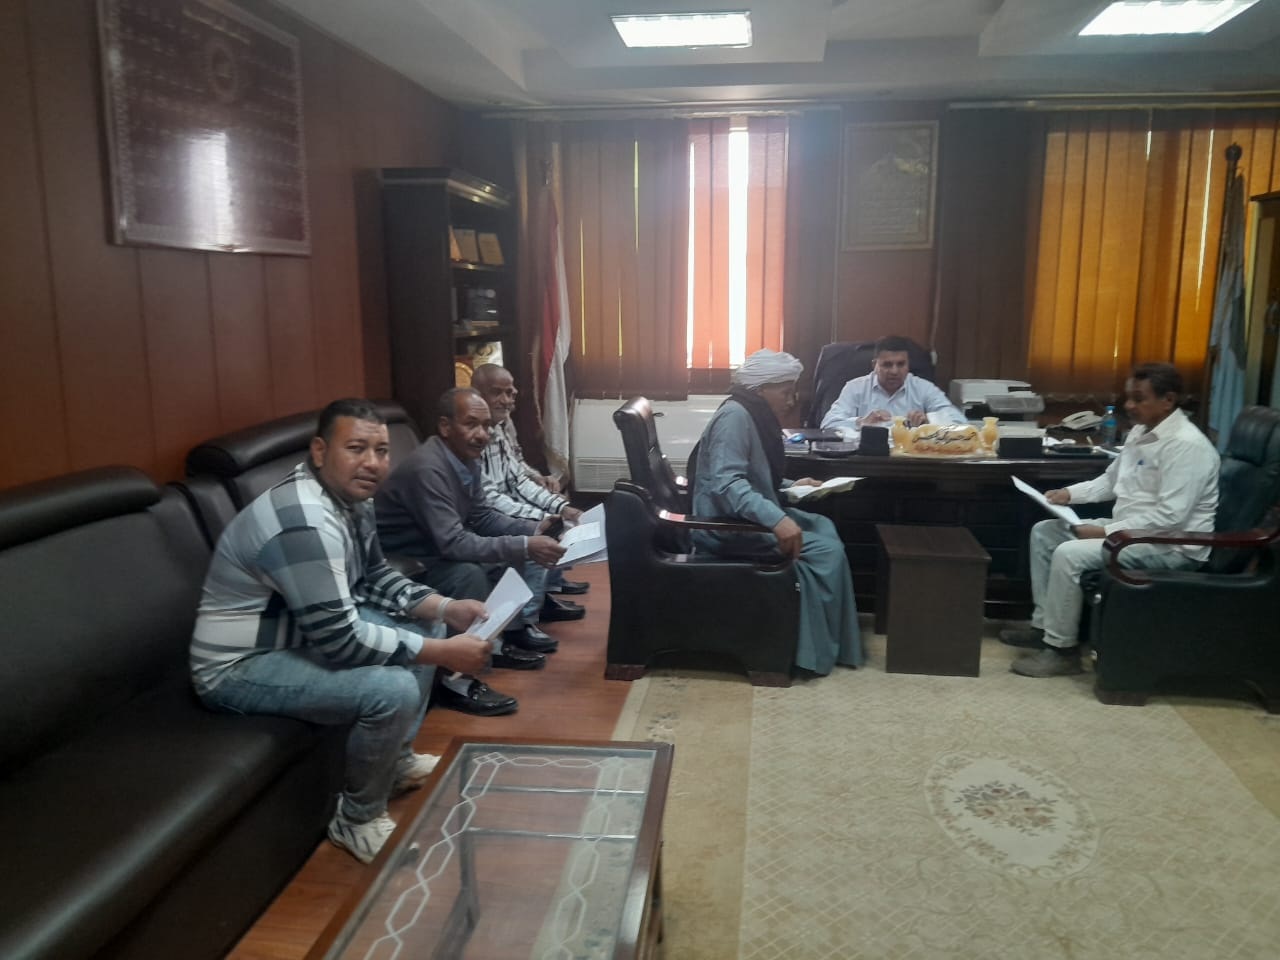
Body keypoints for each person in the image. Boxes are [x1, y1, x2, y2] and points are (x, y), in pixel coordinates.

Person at [190, 399, 511, 865]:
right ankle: (357, 818)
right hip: (239, 667)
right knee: (394, 688)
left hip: (296, 634)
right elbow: (341, 640)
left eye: (381, 450)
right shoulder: (303, 521)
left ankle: (395, 763)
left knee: (428, 620)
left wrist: (447, 607)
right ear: (320, 451)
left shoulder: (351, 498)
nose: (373, 463)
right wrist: (443, 652)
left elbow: (374, 575)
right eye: (356, 448)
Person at [1002, 363, 1219, 678]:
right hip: (1134, 532)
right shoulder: (1141, 431)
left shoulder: (1186, 446)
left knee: (1069, 553)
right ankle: (1045, 627)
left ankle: (1062, 651)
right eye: (1128, 397)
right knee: (1045, 532)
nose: (1129, 405)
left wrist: (1105, 531)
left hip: (1171, 546)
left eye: (1139, 398)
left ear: (1168, 400)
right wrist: (1069, 494)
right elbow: (1110, 481)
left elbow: (1170, 517)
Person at [690, 349, 864, 675]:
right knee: (825, 551)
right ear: (761, 389)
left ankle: (832, 641)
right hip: (726, 528)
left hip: (742, 517)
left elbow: (753, 475)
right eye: (786, 392)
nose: (792, 400)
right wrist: (777, 520)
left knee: (824, 526)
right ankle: (809, 654)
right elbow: (727, 485)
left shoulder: (751, 413)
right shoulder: (735, 417)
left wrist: (791, 485)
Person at [375, 388, 568, 662]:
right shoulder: (427, 468)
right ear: (445, 426)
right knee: (468, 573)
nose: (482, 434)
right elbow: (453, 543)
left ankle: (507, 635)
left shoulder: (465, 459)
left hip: (434, 546)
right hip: (407, 558)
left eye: (487, 426)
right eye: (471, 424)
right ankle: (460, 669)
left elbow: (483, 517)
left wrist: (533, 529)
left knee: (512, 551)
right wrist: (524, 544)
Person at [469, 363, 590, 604]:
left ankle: (548, 589)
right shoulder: (473, 437)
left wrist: (559, 506)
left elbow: (517, 473)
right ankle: (529, 614)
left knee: (556, 510)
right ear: (477, 394)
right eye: (496, 393)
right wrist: (544, 515)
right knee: (542, 528)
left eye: (510, 393)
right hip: (484, 516)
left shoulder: (501, 426)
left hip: (504, 503)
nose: (506, 401)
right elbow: (489, 498)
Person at [821, 335, 964, 433]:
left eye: (901, 364)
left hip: (911, 461)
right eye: (887, 365)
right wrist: (861, 422)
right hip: (868, 460)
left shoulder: (923, 388)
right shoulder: (855, 388)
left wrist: (929, 420)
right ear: (874, 365)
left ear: (908, 365)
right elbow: (828, 424)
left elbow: (961, 423)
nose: (894, 371)